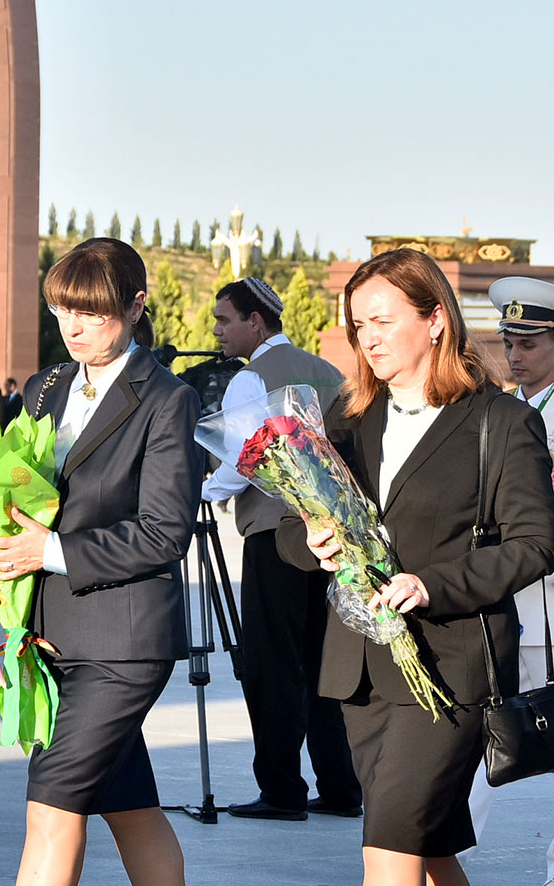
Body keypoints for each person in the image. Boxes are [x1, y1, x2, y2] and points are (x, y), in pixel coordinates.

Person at [276, 249, 554, 886]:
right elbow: (290, 532)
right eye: (358, 325)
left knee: (388, 852)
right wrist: (313, 543)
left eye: (381, 319)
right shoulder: (344, 420)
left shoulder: (502, 422)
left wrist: (431, 585)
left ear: (435, 320)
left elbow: (534, 545)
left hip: (449, 671)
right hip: (361, 671)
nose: (367, 337)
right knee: (427, 852)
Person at [0, 237, 202, 886]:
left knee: (50, 805)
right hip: (51, 636)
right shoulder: (46, 387)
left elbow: (164, 532)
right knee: (131, 809)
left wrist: (45, 550)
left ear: (135, 306)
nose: (72, 327)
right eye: (62, 309)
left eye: (91, 312)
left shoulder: (165, 400)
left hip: (124, 645)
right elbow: (10, 491)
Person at [202, 278, 361, 821]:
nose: (217, 330)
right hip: (335, 538)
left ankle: (282, 789)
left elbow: (243, 460)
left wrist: (194, 494)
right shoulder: (329, 372)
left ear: (256, 322)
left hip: (277, 535)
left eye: (225, 320)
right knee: (323, 661)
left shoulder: (251, 379)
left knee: (274, 663)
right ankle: (341, 787)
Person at [464, 277, 554, 886]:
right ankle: (448, 852)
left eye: (530, 342)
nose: (515, 354)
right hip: (499, 602)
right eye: (509, 340)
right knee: (473, 738)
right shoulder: (491, 416)